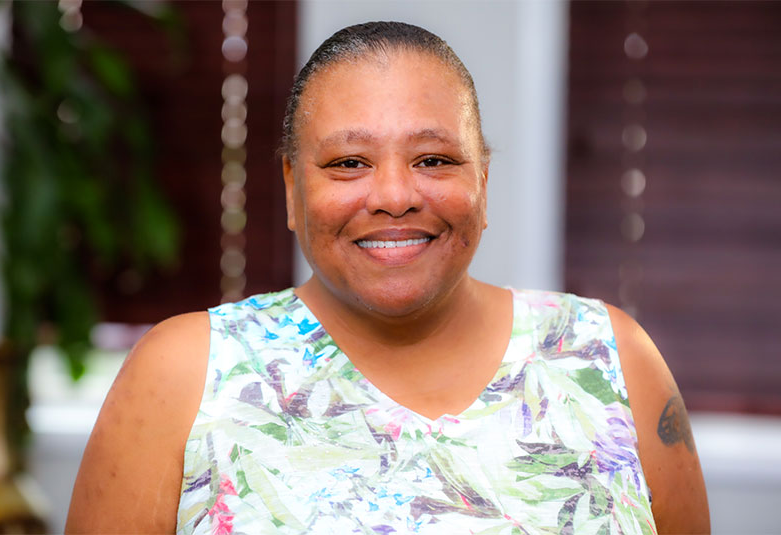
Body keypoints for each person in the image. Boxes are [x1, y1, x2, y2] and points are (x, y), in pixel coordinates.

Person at [66, 21, 709, 534]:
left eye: (434, 158)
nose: (395, 195)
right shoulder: (185, 374)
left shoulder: (608, 360)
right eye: (348, 162)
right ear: (292, 190)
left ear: (482, 181)